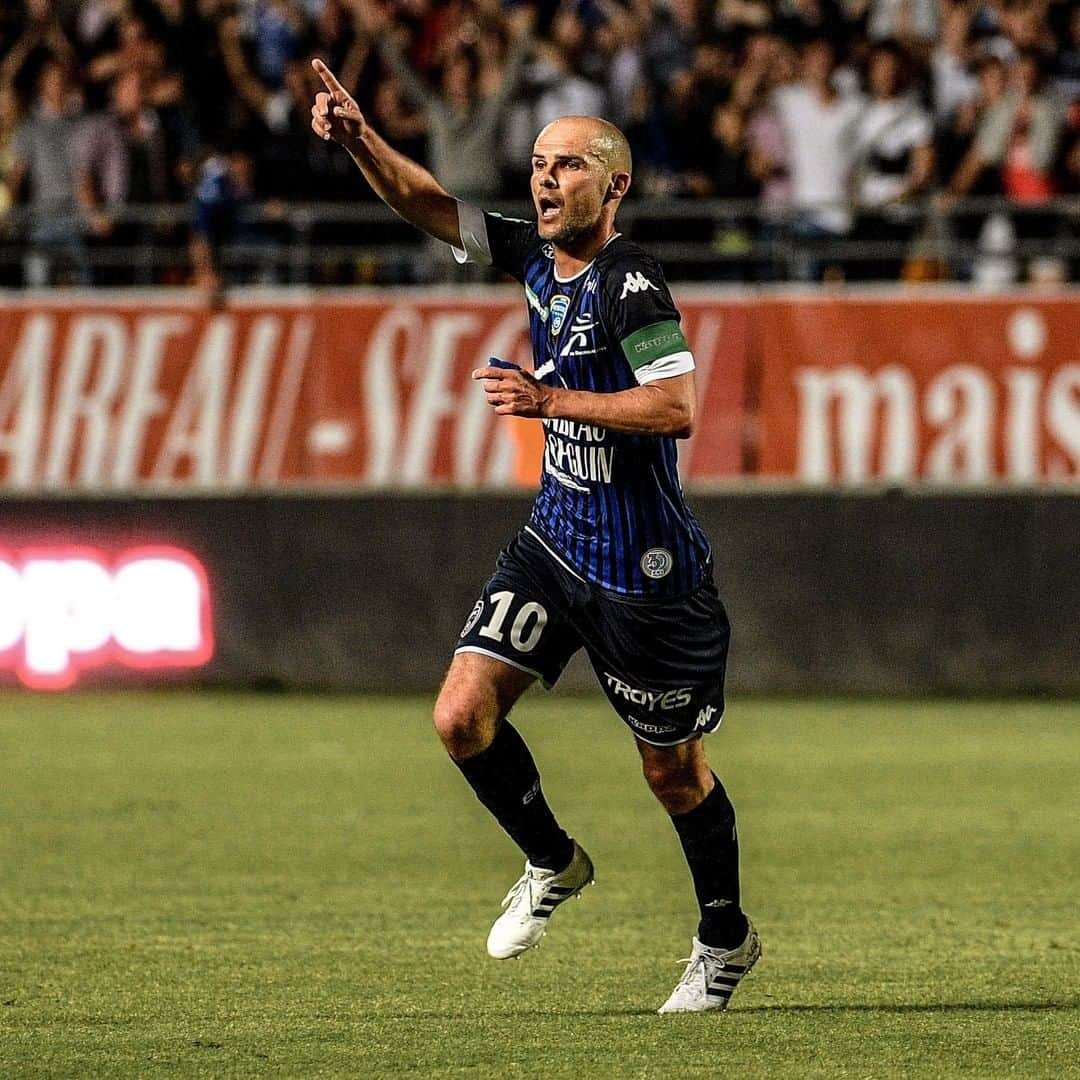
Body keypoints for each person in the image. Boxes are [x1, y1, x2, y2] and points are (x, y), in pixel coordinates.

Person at [310, 56, 760, 1014]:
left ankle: (725, 937)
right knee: (460, 717)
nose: (544, 179)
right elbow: (432, 205)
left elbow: (677, 406)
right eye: (540, 165)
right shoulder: (531, 257)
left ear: (615, 185)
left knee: (672, 775)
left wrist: (550, 398)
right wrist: (359, 143)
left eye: (568, 165)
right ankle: (552, 861)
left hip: (646, 578)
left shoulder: (633, 282)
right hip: (555, 546)